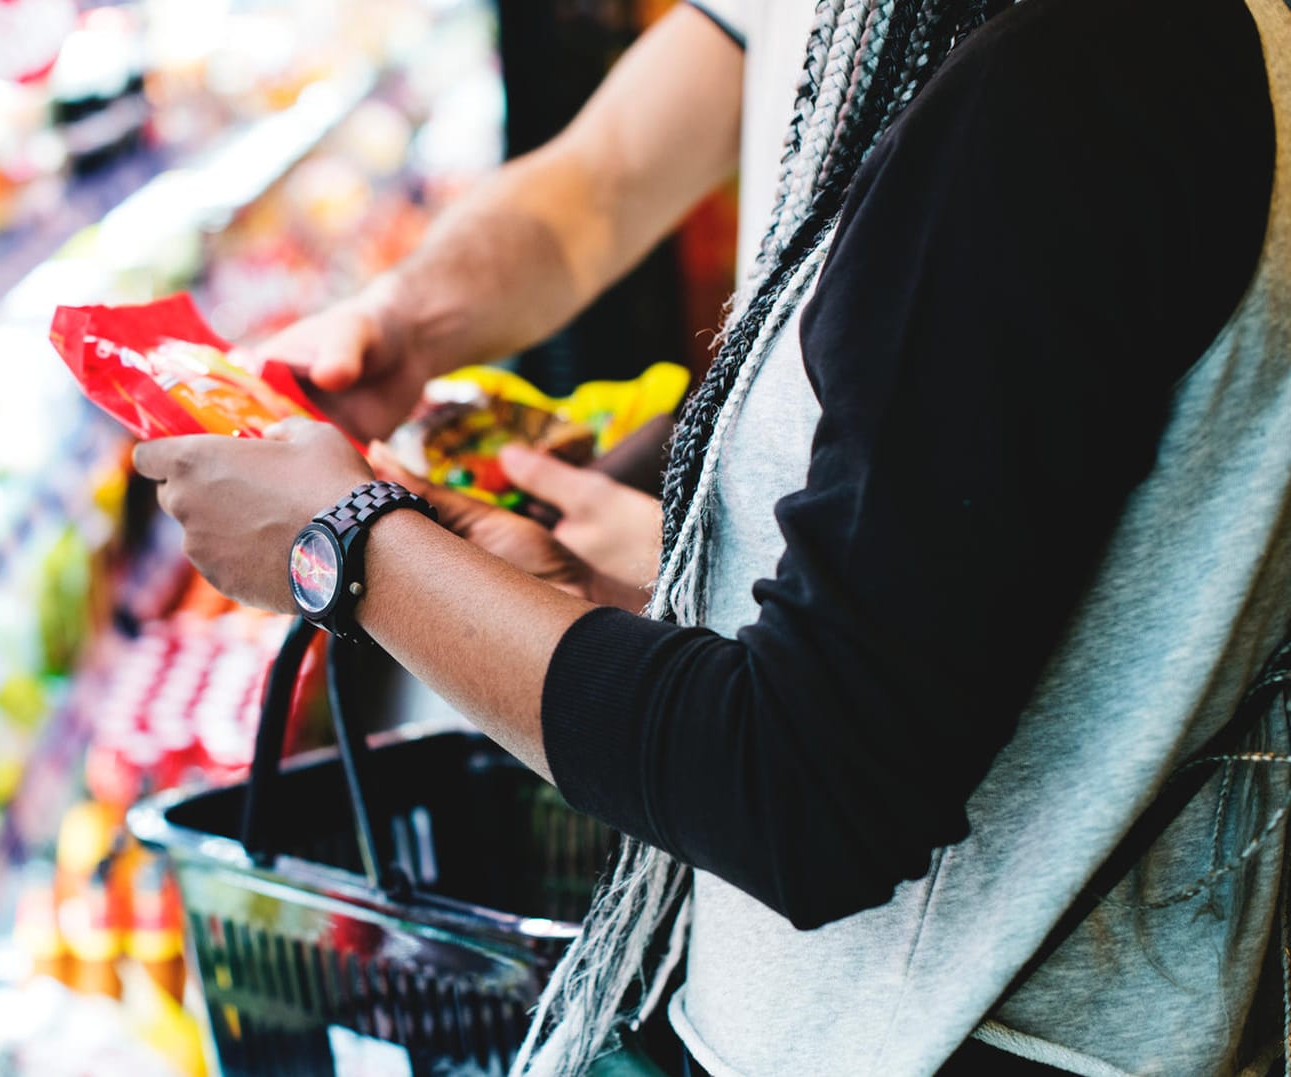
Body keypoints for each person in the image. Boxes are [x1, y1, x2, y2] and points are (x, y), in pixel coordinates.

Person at [134, 0, 1291, 1072]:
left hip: (932, 1031)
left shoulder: (1077, 90)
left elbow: (809, 794)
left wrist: (344, 548)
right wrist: (644, 588)